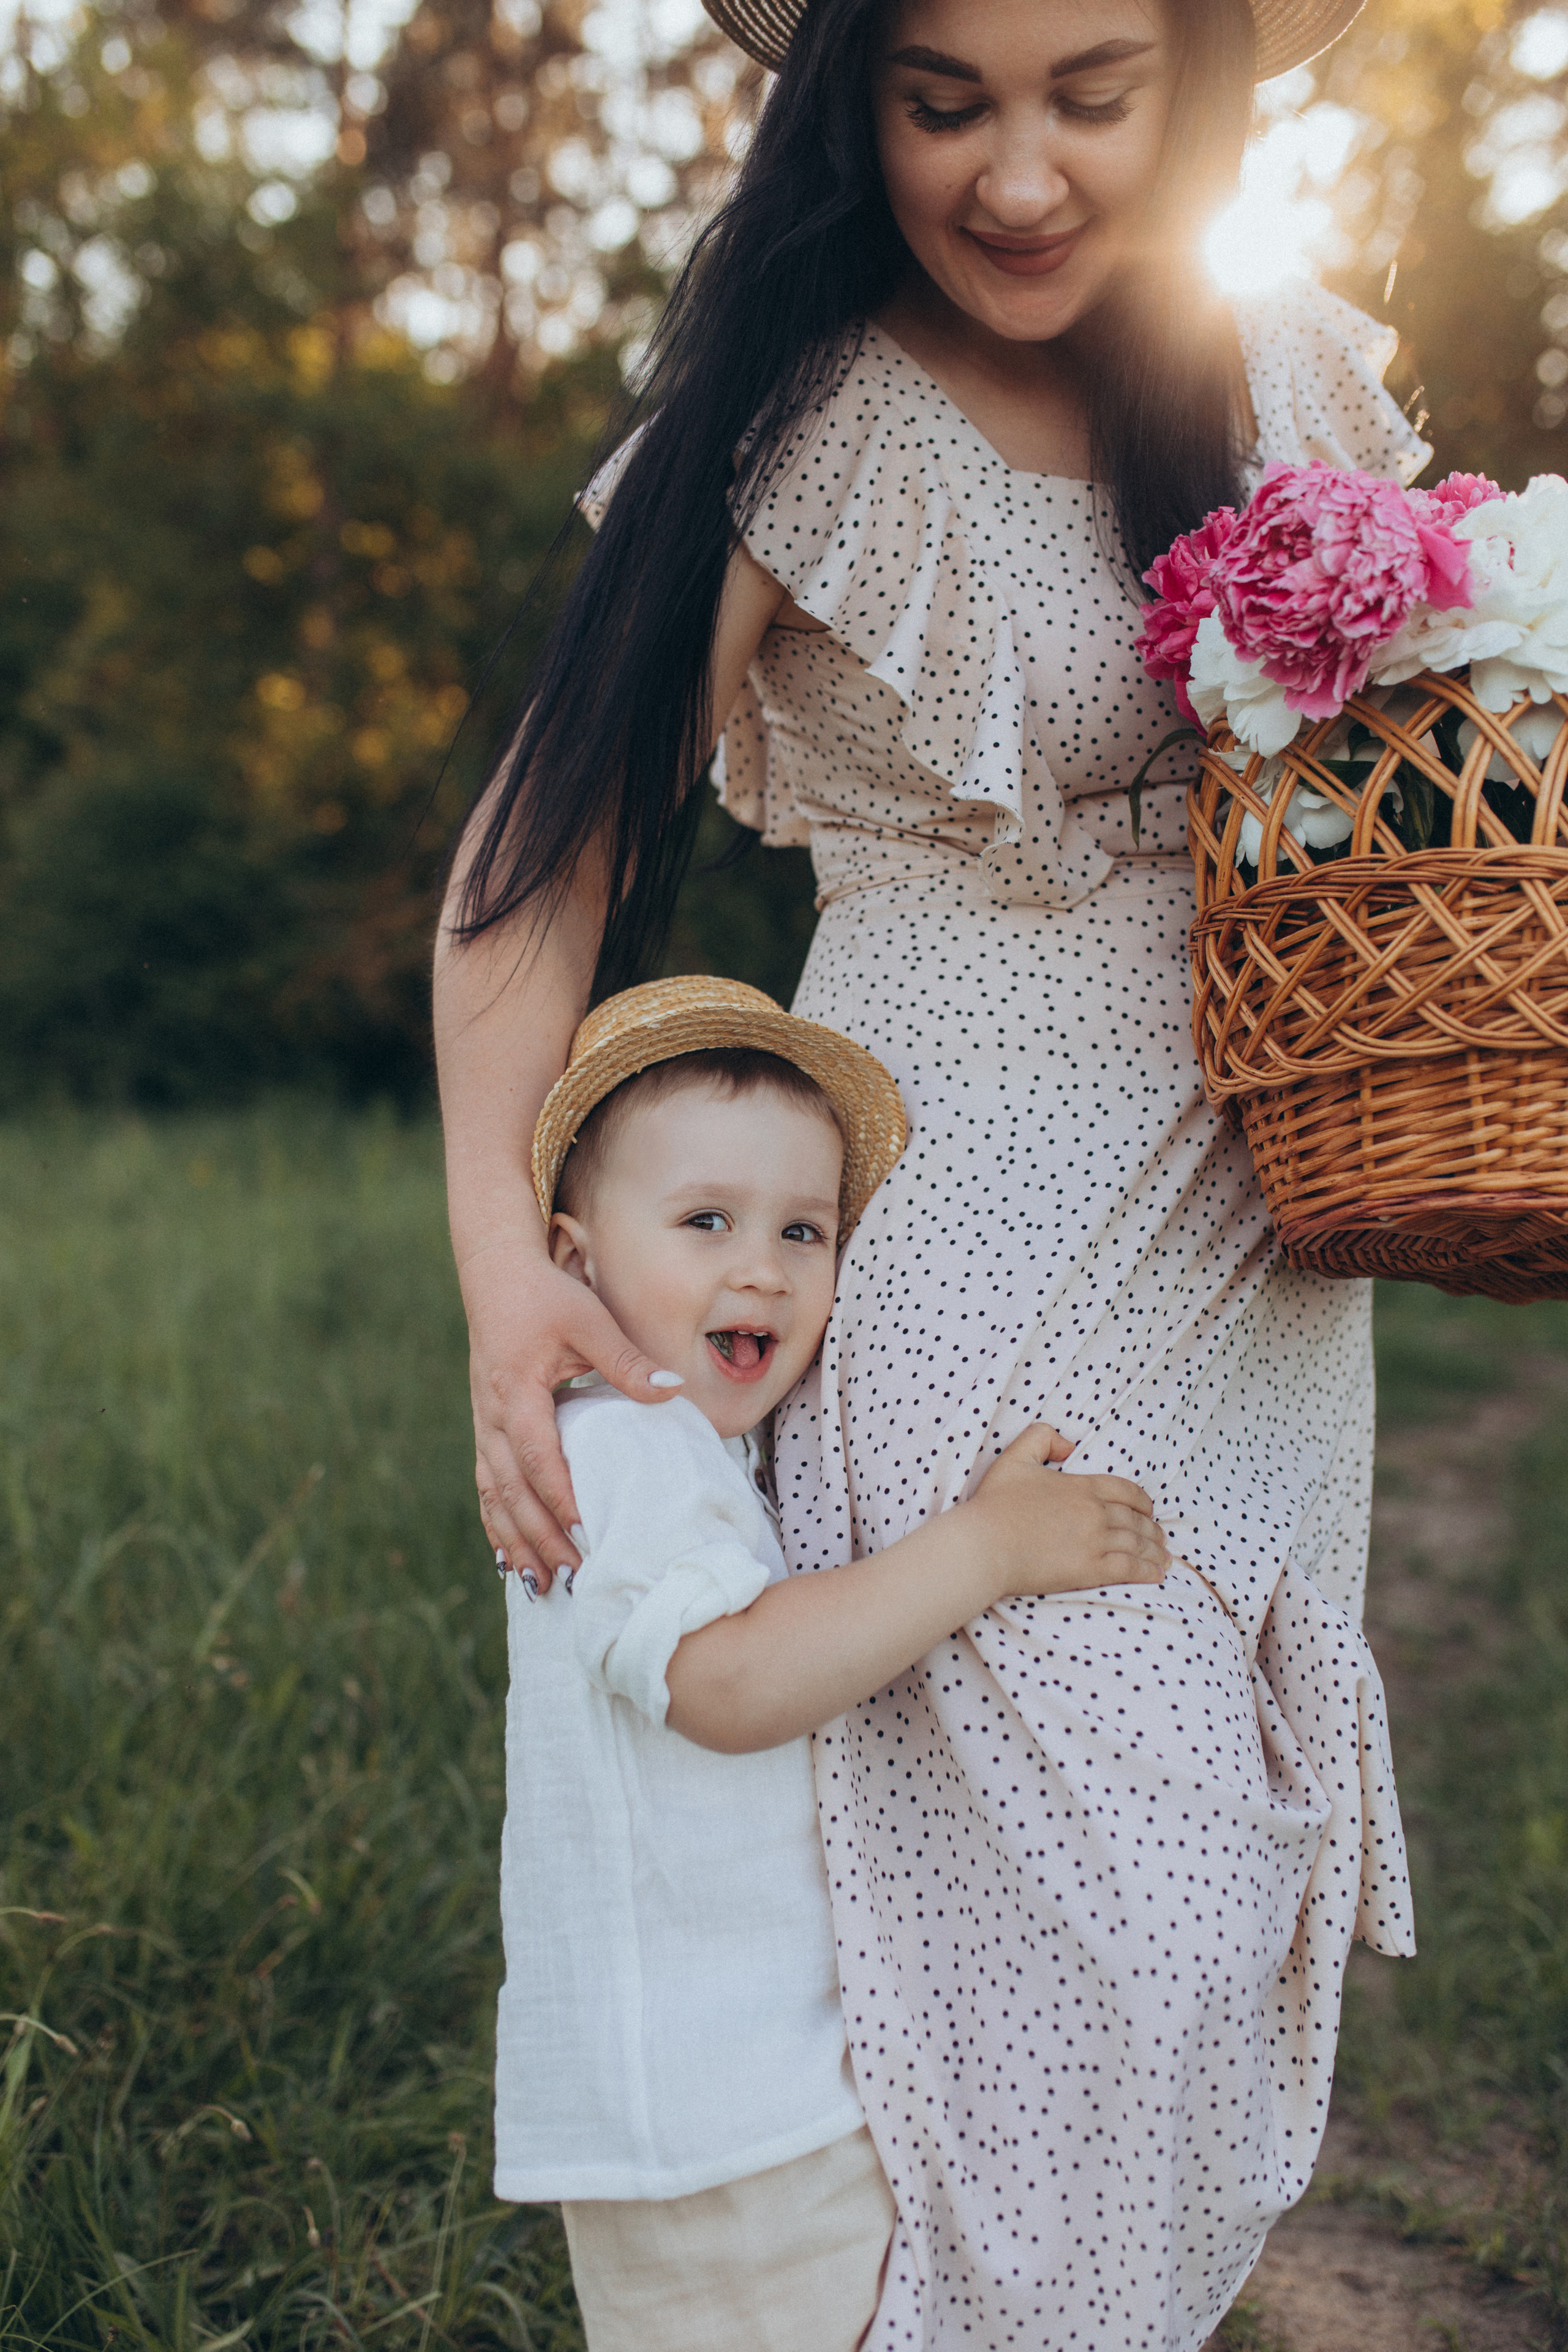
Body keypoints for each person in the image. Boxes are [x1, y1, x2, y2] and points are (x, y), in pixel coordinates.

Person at [434, 0, 1420, 2336]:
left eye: (1094, 92)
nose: (1018, 176)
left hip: (1262, 1224)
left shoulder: (1277, 367)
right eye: (941, 99)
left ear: (1198, 84)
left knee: (1210, 1916)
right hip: (954, 1213)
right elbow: (543, 845)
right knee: (1107, 1907)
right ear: (843, 101)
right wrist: (502, 1257)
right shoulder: (799, 418)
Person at [494, 974, 1170, 2352]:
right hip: (710, 2114)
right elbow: (725, 1681)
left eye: (804, 1230)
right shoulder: (621, 1449)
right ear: (571, 1264)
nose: (763, 1269)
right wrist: (979, 1551)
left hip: (739, 2096)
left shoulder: (690, 1448)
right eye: (705, 1223)